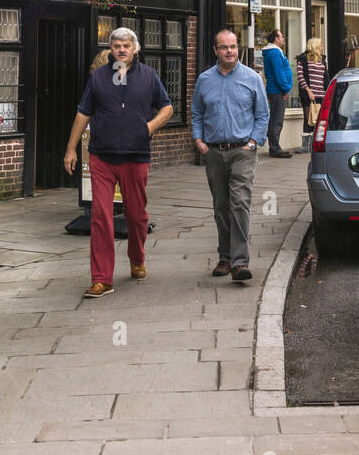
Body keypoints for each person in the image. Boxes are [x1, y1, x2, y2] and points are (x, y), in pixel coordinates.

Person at [63, 27, 174, 297]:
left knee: (136, 215)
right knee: (101, 216)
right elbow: (83, 112)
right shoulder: (98, 78)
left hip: (135, 156)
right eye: (116, 46)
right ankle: (102, 279)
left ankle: (137, 258)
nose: (121, 50)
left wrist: (149, 127)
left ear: (135, 49)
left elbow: (167, 107)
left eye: (126, 45)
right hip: (102, 155)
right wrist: (71, 149)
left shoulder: (149, 76)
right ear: (110, 49)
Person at [191, 29, 268, 283]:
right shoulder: (204, 79)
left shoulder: (252, 78)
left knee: (239, 204)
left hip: (242, 152)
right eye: (224, 47)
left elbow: (262, 114)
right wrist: (199, 141)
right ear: (216, 51)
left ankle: (239, 262)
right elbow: (197, 113)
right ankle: (225, 257)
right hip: (213, 151)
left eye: (233, 46)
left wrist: (254, 142)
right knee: (221, 207)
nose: (229, 51)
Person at [261, 29, 293, 157]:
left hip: (276, 90)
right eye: (281, 36)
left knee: (275, 119)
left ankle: (275, 147)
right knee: (276, 120)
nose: (283, 38)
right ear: (275, 39)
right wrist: (285, 89)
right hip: (278, 90)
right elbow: (278, 73)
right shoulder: (274, 53)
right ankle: (274, 149)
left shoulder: (274, 52)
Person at [296, 37, 328, 153]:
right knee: (308, 119)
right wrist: (308, 91)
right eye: (320, 45)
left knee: (320, 120)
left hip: (321, 94)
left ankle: (316, 144)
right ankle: (305, 146)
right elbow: (300, 76)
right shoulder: (302, 59)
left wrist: (327, 91)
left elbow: (325, 76)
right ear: (314, 46)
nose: (322, 47)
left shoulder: (322, 59)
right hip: (308, 95)